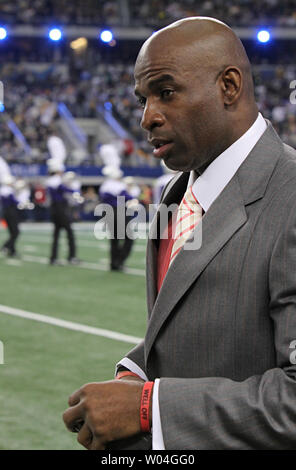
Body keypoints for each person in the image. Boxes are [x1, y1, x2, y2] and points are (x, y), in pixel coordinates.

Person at [63, 17, 296, 450]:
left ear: (229, 86)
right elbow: (202, 325)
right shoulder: (178, 192)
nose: (147, 117)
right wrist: (135, 372)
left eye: (166, 93)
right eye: (143, 99)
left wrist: (151, 407)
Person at [99, 166, 138, 271]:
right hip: (117, 212)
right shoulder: (118, 185)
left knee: (114, 239)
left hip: (107, 212)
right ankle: (119, 261)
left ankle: (114, 263)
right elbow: (127, 197)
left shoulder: (105, 185)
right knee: (129, 238)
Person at [46, 159, 80, 265]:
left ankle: (53, 258)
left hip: (55, 209)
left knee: (56, 234)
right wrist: (75, 190)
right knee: (69, 233)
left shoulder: (51, 180)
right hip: (60, 209)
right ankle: (72, 256)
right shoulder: (56, 180)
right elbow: (65, 189)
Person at [0, 175, 20, 257]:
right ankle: (5, 246)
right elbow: (15, 202)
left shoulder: (3, 190)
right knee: (15, 232)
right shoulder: (8, 190)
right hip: (11, 212)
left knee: (12, 232)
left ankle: (12, 251)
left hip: (6, 213)